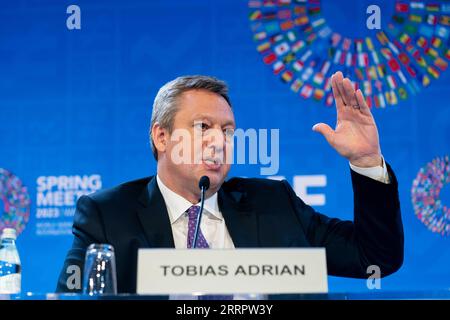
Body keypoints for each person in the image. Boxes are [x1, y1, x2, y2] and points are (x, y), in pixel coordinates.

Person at [56, 72, 403, 294]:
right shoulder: (107, 215)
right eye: (202, 127)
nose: (219, 141)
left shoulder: (273, 202)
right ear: (162, 137)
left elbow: (374, 257)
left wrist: (366, 162)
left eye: (228, 131)